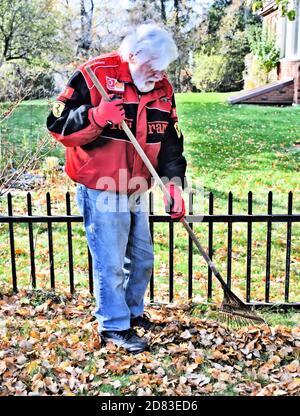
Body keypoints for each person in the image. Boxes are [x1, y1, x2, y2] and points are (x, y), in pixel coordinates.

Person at [47, 23, 187, 354]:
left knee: (142, 259)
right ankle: (114, 326)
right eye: (153, 68)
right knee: (110, 261)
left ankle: (132, 314)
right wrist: (96, 116)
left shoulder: (162, 87)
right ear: (135, 55)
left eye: (162, 70)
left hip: (137, 184)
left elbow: (169, 142)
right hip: (101, 184)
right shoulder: (93, 75)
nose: (158, 76)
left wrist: (174, 186)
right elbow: (57, 125)